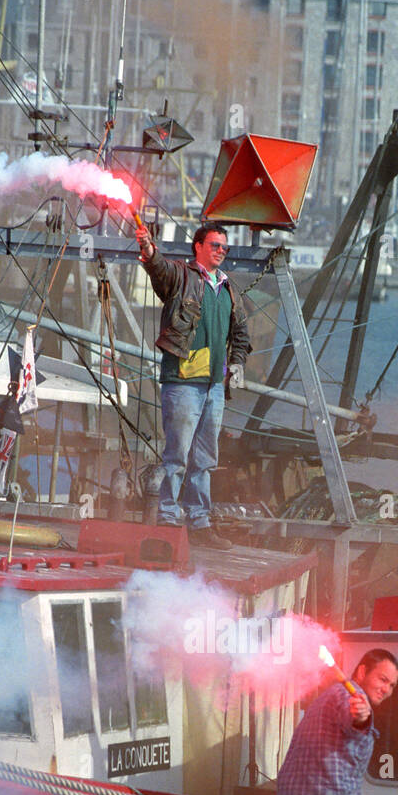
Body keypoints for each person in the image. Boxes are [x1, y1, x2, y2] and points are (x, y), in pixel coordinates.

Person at [136, 219, 251, 549]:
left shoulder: (229, 289)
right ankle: (170, 519)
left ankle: (200, 523)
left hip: (214, 386)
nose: (220, 252)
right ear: (198, 247)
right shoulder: (181, 277)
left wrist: (238, 363)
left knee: (204, 459)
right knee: (177, 456)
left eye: (224, 248)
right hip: (183, 382)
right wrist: (147, 248)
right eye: (215, 246)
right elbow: (158, 269)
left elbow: (241, 333)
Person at [277, 648, 398, 795]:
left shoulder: (330, 695)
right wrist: (361, 717)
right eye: (383, 680)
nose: (387, 690)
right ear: (362, 672)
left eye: (392, 685)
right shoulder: (349, 696)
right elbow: (354, 720)